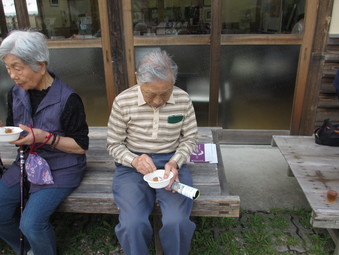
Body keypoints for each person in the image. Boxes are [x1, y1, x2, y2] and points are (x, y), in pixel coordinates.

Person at [0, 30, 89, 255]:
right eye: (7, 68)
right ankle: (29, 250)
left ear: (40, 65)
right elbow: (15, 129)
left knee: (30, 224)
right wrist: (7, 133)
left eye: (17, 67)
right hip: (26, 162)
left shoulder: (68, 98)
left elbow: (80, 146)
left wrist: (46, 137)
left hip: (62, 167)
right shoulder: (15, 93)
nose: (12, 75)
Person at [107, 49, 198, 255]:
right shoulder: (123, 101)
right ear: (138, 79)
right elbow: (114, 144)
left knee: (177, 221)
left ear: (173, 82)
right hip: (132, 167)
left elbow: (190, 138)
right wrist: (134, 160)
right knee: (132, 223)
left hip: (171, 164)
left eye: (165, 93)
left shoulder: (183, 100)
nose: (158, 101)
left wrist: (176, 162)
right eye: (151, 94)